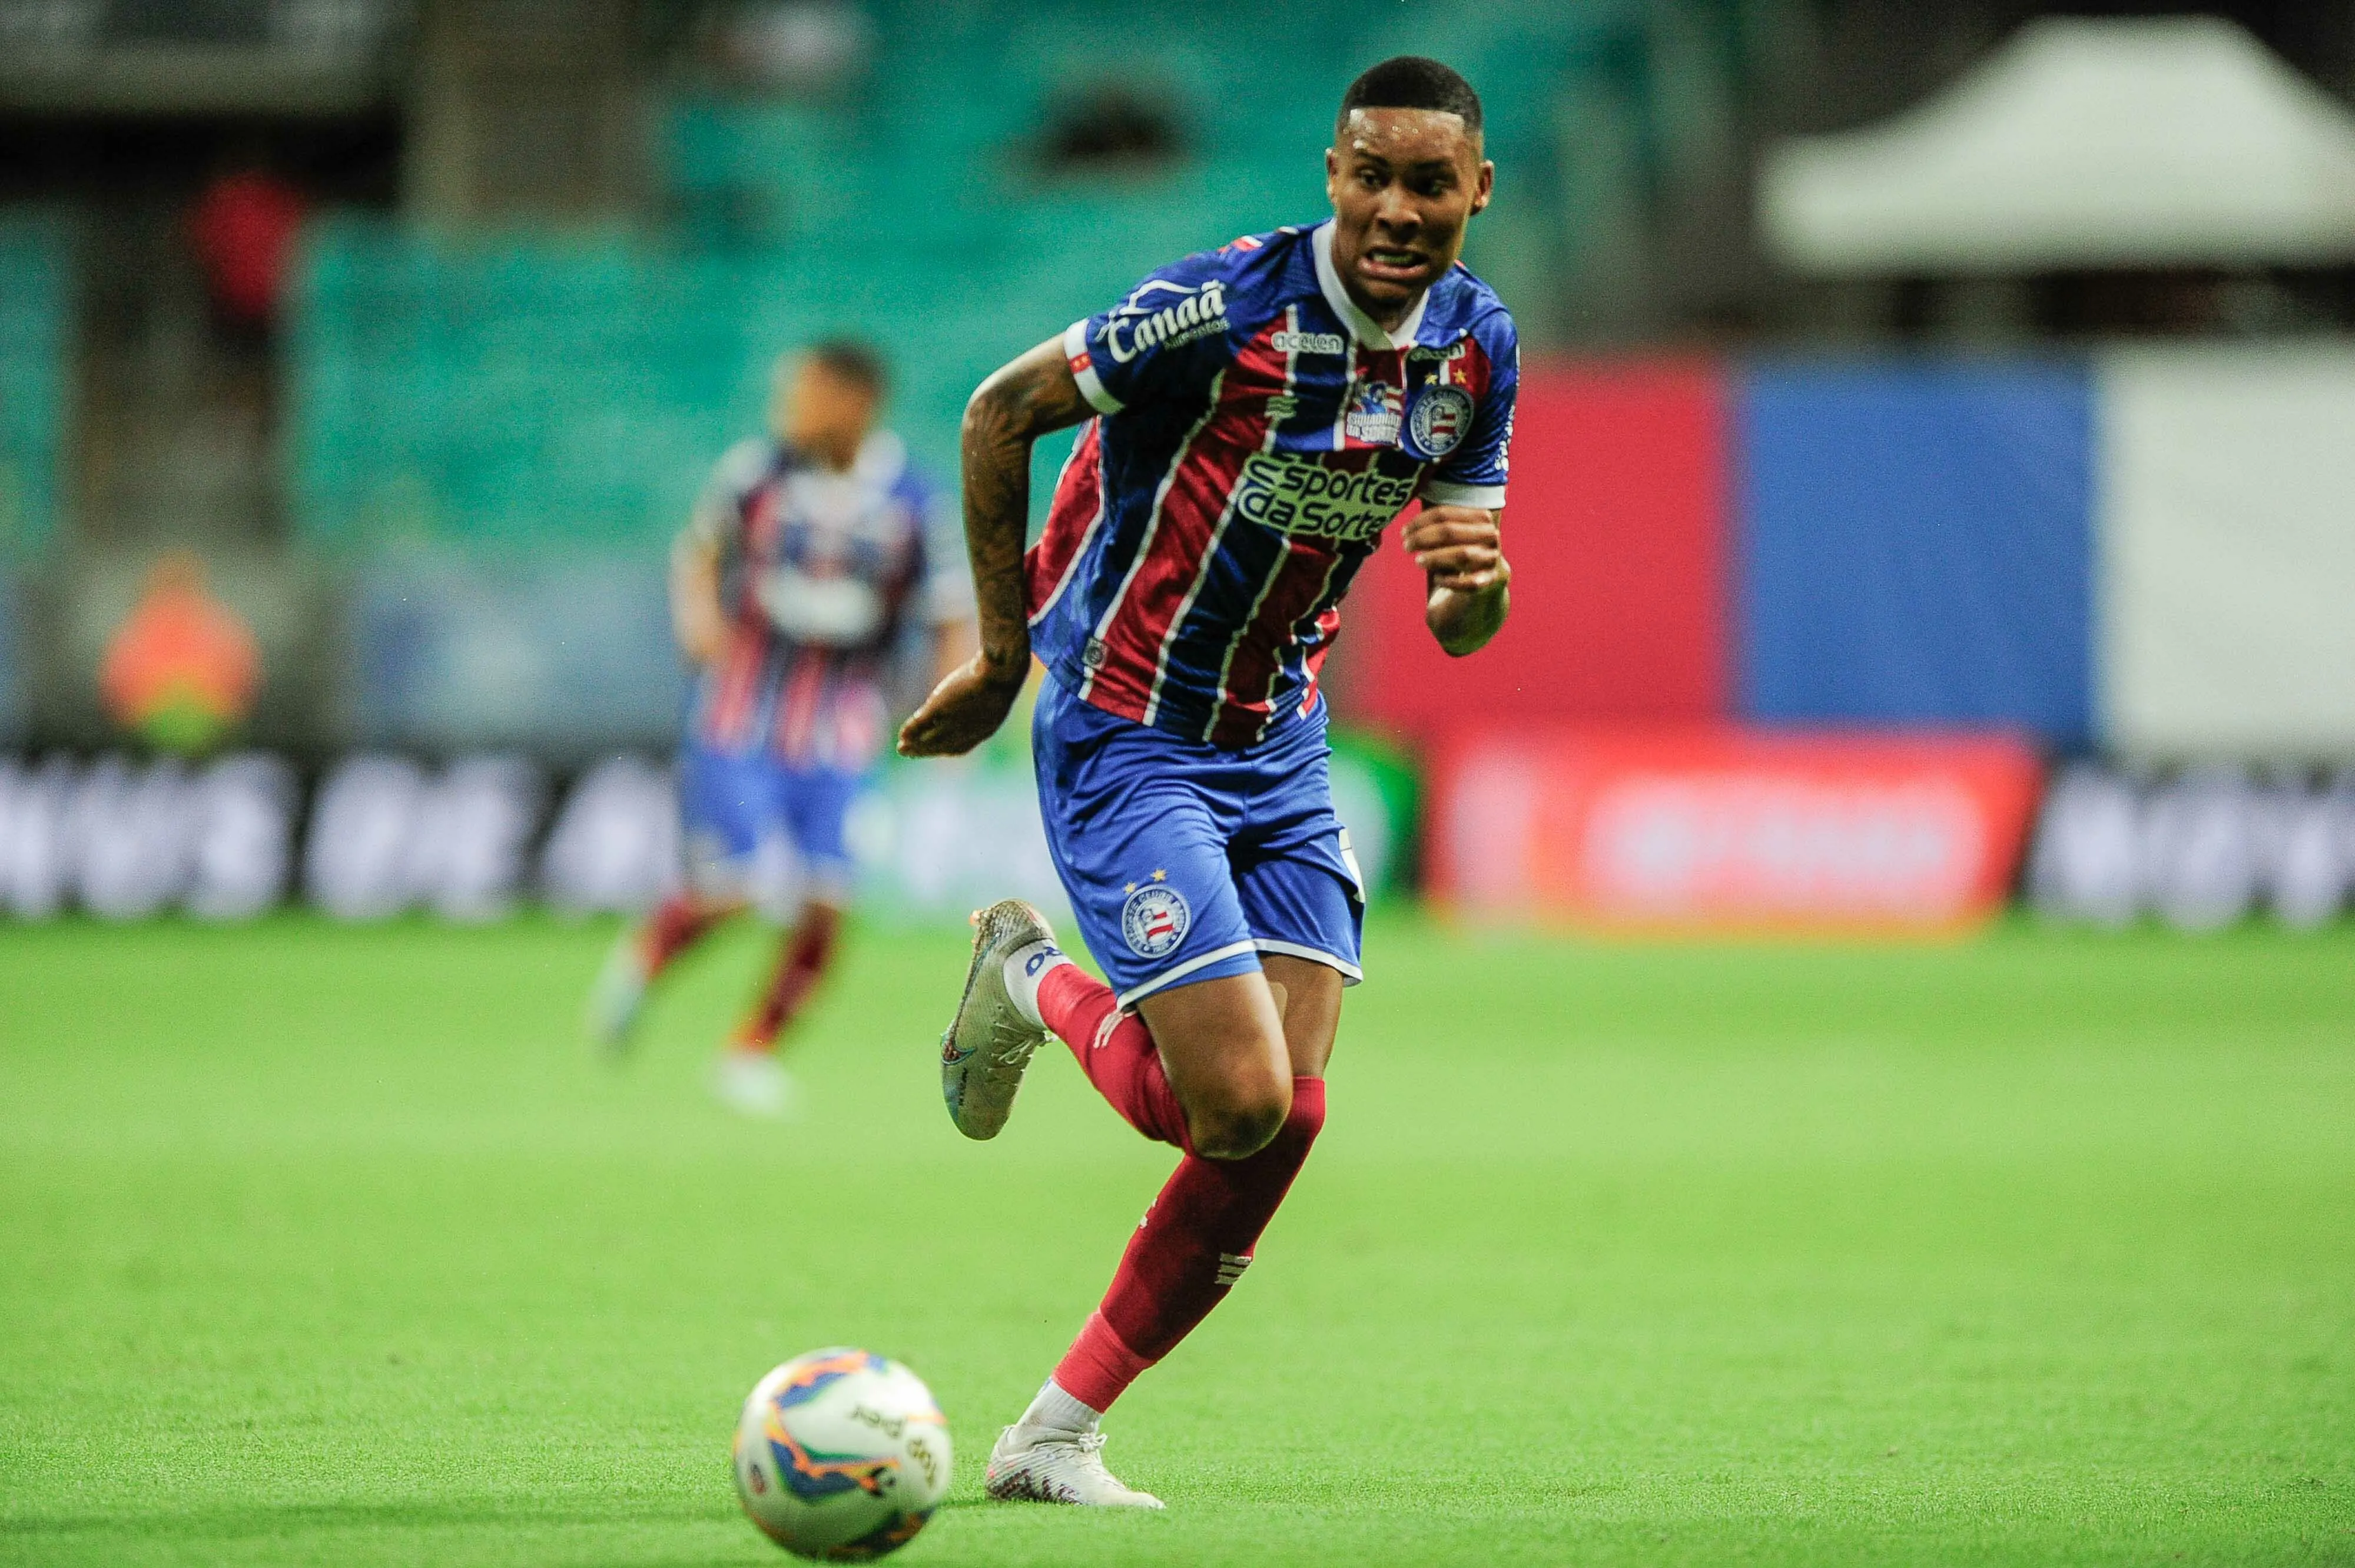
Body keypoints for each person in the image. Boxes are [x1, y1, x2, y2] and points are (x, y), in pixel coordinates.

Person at [897, 57, 1517, 1506]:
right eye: (1373, 175)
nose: (1397, 210)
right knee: (1235, 1103)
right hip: (1128, 726)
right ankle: (1032, 976)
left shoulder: (1474, 348)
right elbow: (1000, 413)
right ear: (1331, 173)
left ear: (1475, 191)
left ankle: (1049, 1434)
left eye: (1430, 184)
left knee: (1278, 1117)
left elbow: (1461, 609)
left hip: (1279, 745)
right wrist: (998, 658)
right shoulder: (1226, 306)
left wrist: (1476, 589)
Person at [590, 342, 977, 1116]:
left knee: (828, 899)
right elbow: (698, 554)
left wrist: (954, 708)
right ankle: (647, 956)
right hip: (743, 715)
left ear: (854, 401)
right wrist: (698, 618)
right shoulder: (755, 476)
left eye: (804, 391)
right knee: (736, 890)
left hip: (841, 727)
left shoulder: (910, 499)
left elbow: (949, 615)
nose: (787, 405)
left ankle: (749, 1050)